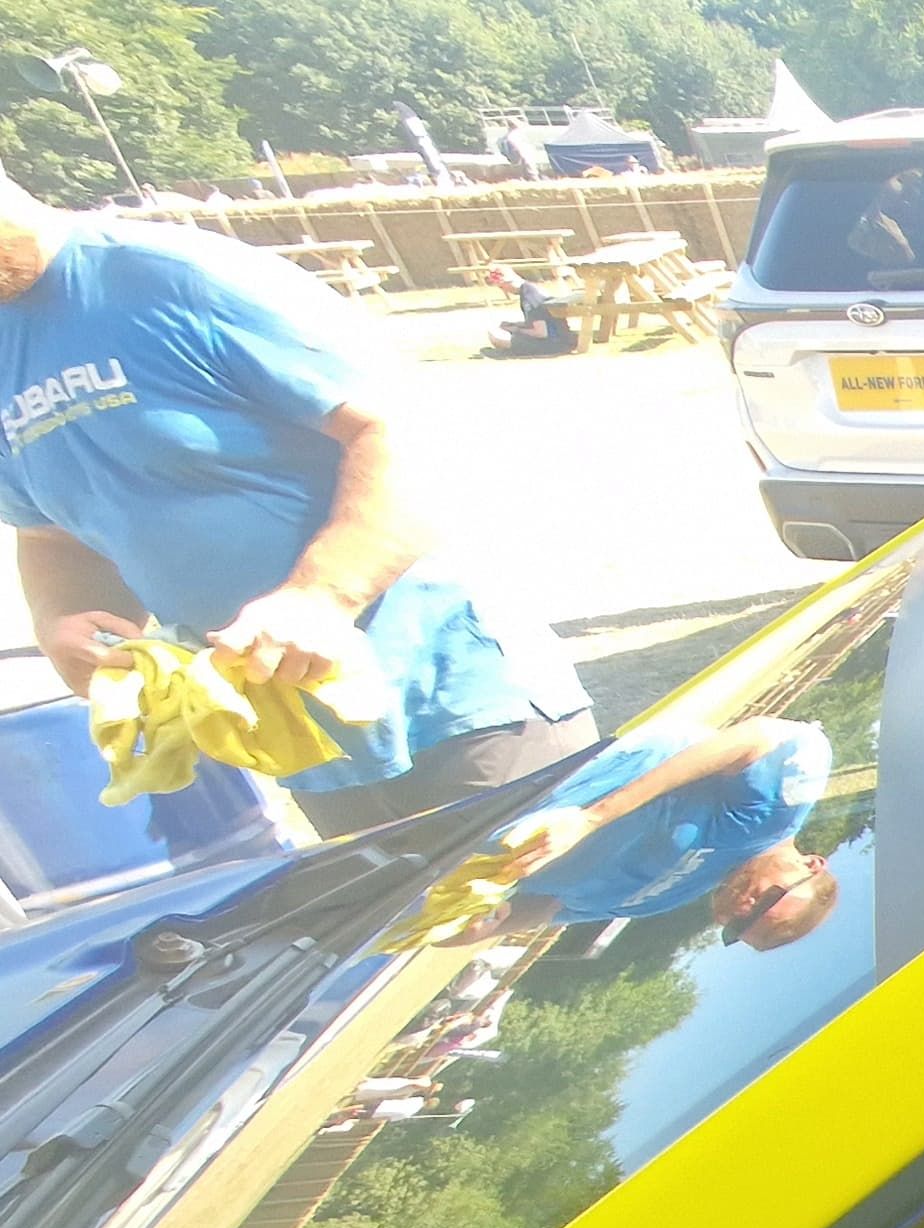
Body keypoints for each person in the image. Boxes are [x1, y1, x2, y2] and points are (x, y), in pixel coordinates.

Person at [0, 165, 593, 835]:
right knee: (399, 908)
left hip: (460, 699)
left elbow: (401, 429)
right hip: (304, 740)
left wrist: (319, 598)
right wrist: (63, 617)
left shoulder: (169, 278)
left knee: (537, 896)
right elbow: (49, 530)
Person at [476, 716, 840, 947]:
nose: (741, 908)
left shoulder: (666, 899)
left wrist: (482, 928)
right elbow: (757, 738)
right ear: (811, 864)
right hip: (528, 770)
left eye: (740, 924)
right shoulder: (779, 811)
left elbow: (548, 909)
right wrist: (593, 818)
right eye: (766, 901)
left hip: (464, 842)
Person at [479, 264, 577, 359]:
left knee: (496, 336)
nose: (504, 290)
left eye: (501, 287)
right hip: (561, 338)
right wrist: (516, 325)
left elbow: (541, 333)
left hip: (553, 343)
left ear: (507, 281)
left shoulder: (529, 296)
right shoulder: (530, 289)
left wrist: (516, 330)